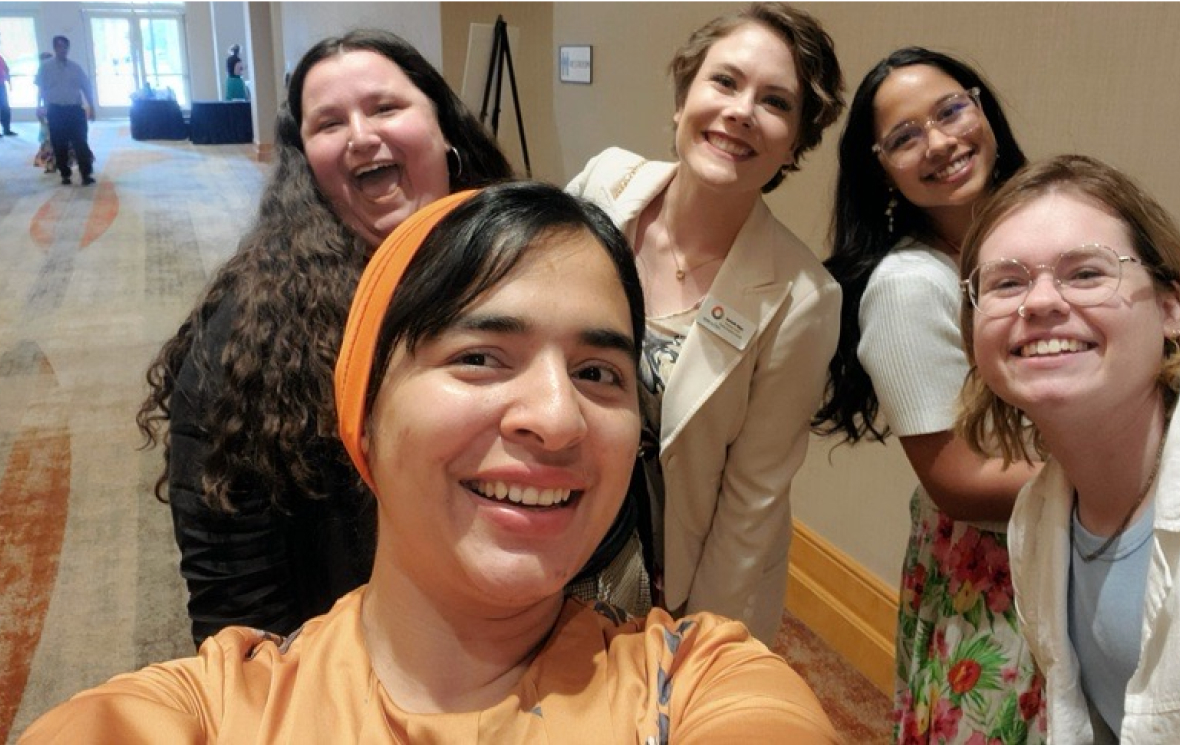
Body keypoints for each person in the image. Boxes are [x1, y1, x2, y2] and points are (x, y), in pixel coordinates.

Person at [22, 183, 840, 744]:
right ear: (364, 417)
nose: (557, 419)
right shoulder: (218, 712)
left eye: (599, 373)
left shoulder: (697, 684)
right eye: (482, 357)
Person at [135, 29, 512, 648]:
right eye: (329, 122)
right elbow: (234, 592)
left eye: (386, 108)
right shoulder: (251, 334)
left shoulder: (523, 269)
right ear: (305, 162)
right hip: (353, 666)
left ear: (445, 129)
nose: (363, 135)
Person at [568, 2, 844, 645]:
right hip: (554, 514)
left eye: (776, 102)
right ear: (682, 96)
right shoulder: (604, 186)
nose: (743, 111)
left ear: (794, 144)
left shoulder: (802, 296)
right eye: (724, 81)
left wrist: (697, 643)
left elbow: (753, 501)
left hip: (668, 571)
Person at [811, 47, 1046, 741]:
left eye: (950, 110)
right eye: (905, 138)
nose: (940, 142)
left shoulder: (1044, 224)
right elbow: (959, 482)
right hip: (1001, 564)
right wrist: (1121, 479)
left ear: (981, 104)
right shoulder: (911, 284)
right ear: (880, 168)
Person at [958, 154, 1180, 742]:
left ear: (1170, 309)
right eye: (1006, 283)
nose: (1039, 303)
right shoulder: (1035, 520)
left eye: (1085, 273)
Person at [35, 35, 96, 186]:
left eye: (64, 47)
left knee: (81, 142)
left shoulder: (75, 68)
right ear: (55, 48)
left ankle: (86, 174)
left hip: (75, 110)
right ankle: (65, 174)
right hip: (56, 111)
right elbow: (41, 88)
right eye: (59, 47)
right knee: (59, 144)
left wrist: (92, 106)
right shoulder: (45, 67)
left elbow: (86, 87)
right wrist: (39, 105)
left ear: (68, 48)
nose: (62, 50)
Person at [0, 32, 14, 136]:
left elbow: (6, 68)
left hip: (1, 85)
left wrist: (9, 81)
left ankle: (6, 129)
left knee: (5, 107)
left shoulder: (0, 58)